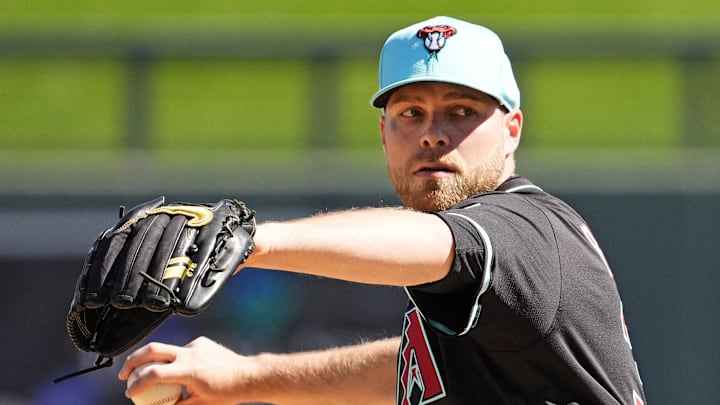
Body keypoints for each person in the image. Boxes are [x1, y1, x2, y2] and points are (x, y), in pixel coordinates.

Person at [118, 16, 646, 404]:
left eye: (462, 111)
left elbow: (440, 243)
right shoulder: (482, 312)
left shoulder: (530, 230)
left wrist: (251, 243)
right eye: (409, 113)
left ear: (512, 130)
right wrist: (249, 377)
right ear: (383, 133)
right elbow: (415, 368)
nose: (433, 133)